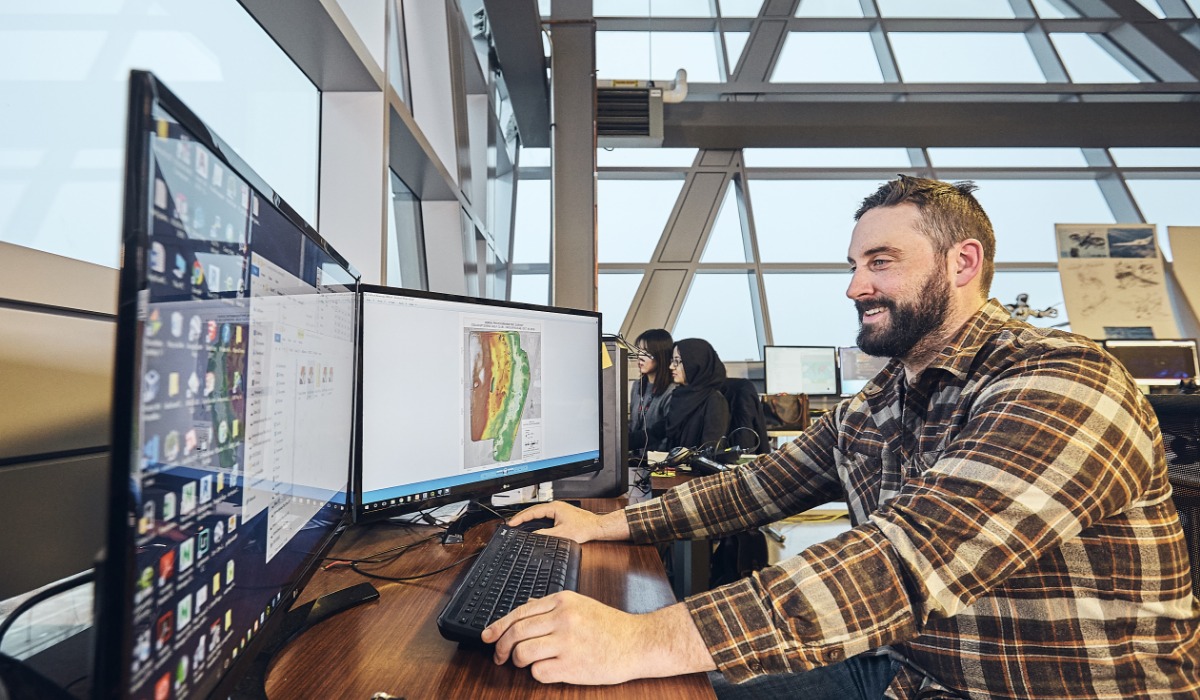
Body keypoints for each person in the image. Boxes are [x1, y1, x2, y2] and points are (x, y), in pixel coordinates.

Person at [482, 175, 1200, 699]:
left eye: (880, 262)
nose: (855, 287)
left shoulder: (1064, 383)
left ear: (963, 264)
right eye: (854, 267)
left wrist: (642, 636)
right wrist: (604, 523)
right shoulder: (882, 399)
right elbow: (757, 487)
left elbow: (906, 558)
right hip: (904, 669)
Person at [664, 338, 730, 451]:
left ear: (695, 363)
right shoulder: (680, 396)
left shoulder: (714, 401)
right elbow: (658, 431)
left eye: (677, 361)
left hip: (694, 468)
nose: (671, 366)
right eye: (672, 361)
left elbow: (710, 450)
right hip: (674, 466)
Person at [628, 328, 677, 452]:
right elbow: (633, 425)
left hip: (656, 463)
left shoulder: (672, 391)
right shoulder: (637, 386)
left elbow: (667, 434)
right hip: (633, 458)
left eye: (646, 353)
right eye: (638, 351)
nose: (639, 357)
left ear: (661, 356)